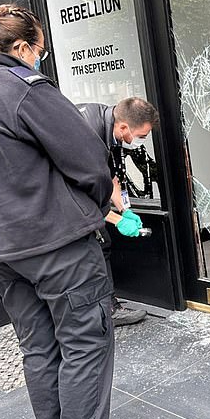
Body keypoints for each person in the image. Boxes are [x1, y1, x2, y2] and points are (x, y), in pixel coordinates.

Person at [0, 3, 144, 419]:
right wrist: (107, 207)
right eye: (39, 50)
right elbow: (88, 161)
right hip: (53, 243)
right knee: (85, 342)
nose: (40, 59)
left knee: (39, 347)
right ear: (20, 48)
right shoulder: (24, 89)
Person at [77, 98, 160, 326]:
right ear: (124, 127)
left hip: (82, 194)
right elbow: (79, 193)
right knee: (95, 246)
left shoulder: (111, 126)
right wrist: (117, 220)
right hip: (55, 199)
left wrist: (126, 210)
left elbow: (112, 178)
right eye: (140, 137)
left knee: (102, 244)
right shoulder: (89, 135)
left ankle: (105, 308)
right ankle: (104, 312)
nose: (139, 142)